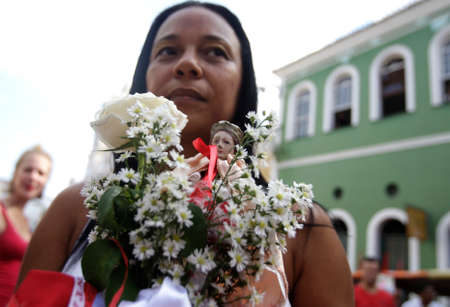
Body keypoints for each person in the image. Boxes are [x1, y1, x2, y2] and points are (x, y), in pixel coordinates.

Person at [17, 2, 354, 306]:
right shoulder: (76, 208)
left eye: (215, 52)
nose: (188, 64)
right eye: (167, 51)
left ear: (244, 83)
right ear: (143, 78)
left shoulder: (299, 227)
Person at [0, 145, 52, 306]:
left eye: (40, 173)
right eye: (28, 170)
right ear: (16, 172)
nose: (33, 177)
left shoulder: (29, 222)